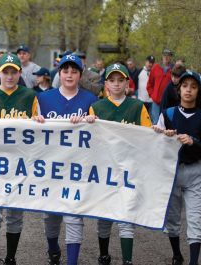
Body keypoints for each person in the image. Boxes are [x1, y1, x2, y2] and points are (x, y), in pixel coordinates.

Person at [34, 54, 98, 265]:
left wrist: (92, 121)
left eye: (74, 71)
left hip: (77, 167)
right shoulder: (43, 98)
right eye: (65, 71)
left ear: (80, 74)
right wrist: (35, 121)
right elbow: (31, 133)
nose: (69, 75)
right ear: (59, 73)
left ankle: (72, 261)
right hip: (50, 166)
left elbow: (98, 134)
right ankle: (53, 249)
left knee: (74, 215)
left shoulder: (90, 100)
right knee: (50, 216)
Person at [0, 53, 37, 265]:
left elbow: (40, 133)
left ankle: (11, 257)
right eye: (5, 72)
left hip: (19, 164)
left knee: (15, 214)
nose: (9, 76)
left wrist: (40, 122)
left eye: (14, 72)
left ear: (20, 73)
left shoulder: (29, 96)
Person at [89, 64, 151, 265]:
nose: (116, 84)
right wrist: (87, 122)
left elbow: (149, 136)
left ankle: (127, 260)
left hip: (129, 169)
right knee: (104, 215)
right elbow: (89, 141)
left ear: (127, 83)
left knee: (126, 216)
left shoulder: (137, 106)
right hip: (104, 169)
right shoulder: (97, 107)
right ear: (106, 83)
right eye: (112, 80)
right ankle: (103, 255)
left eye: (120, 80)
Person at [152, 70, 201, 265]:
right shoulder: (168, 113)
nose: (188, 90)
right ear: (179, 90)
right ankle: (176, 254)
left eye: (194, 87)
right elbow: (156, 144)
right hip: (171, 172)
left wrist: (193, 141)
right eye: (185, 86)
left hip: (195, 171)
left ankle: (193, 261)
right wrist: (160, 133)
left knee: (195, 218)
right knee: (172, 219)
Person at [146, 48, 174, 124]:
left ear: (171, 57)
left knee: (166, 122)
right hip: (156, 103)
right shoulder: (155, 67)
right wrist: (152, 95)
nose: (166, 57)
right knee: (155, 122)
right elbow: (149, 84)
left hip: (168, 102)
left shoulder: (173, 69)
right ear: (162, 56)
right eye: (164, 55)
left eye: (168, 55)